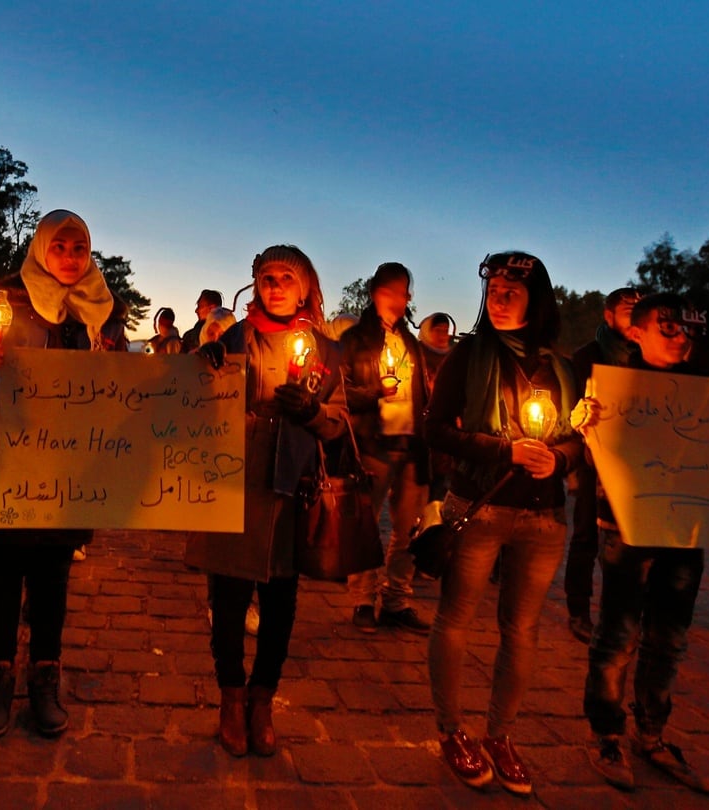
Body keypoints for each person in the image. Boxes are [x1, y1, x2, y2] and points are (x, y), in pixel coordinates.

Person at [0, 210, 126, 741]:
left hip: (71, 468)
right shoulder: (8, 300)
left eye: (80, 248)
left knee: (54, 577)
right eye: (61, 247)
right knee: (4, 573)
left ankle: (44, 679)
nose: (71, 258)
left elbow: (121, 390)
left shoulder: (104, 311)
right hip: (12, 461)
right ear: (39, 249)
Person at [424, 251, 581, 795]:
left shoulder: (562, 367)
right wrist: (504, 451)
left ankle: (502, 734)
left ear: (537, 298)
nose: (500, 296)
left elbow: (580, 437)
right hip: (479, 505)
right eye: (493, 289)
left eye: (513, 289)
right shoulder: (468, 357)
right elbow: (437, 430)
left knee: (523, 628)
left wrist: (558, 459)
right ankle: (451, 730)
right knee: (457, 619)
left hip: (544, 515)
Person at [187, 244, 349, 758]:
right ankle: (230, 698)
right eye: (265, 277)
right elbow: (194, 400)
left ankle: (263, 699)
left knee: (281, 601)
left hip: (292, 486)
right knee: (229, 599)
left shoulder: (323, 351)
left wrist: (311, 414)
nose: (274, 286)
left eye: (285, 277)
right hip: (234, 484)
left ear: (305, 287)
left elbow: (340, 423)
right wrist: (202, 365)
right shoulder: (233, 337)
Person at [573, 293, 709, 794]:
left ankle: (651, 733)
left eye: (691, 329)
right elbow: (591, 461)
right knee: (618, 635)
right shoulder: (611, 386)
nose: (682, 338)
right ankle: (606, 733)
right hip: (625, 528)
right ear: (636, 331)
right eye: (669, 328)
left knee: (670, 639)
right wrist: (586, 429)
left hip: (687, 529)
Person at [341, 262, 431, 634]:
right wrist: (375, 392)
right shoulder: (354, 341)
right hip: (372, 444)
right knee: (365, 525)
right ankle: (363, 599)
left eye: (405, 290)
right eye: (393, 290)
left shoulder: (411, 343)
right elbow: (340, 392)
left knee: (409, 529)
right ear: (376, 293)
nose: (402, 297)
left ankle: (396, 600)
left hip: (411, 445)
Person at [565, 287, 642, 644]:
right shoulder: (587, 357)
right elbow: (571, 408)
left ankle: (626, 611)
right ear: (609, 316)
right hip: (593, 461)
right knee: (585, 536)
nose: (635, 316)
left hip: (637, 464)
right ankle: (578, 610)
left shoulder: (648, 358)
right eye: (628, 309)